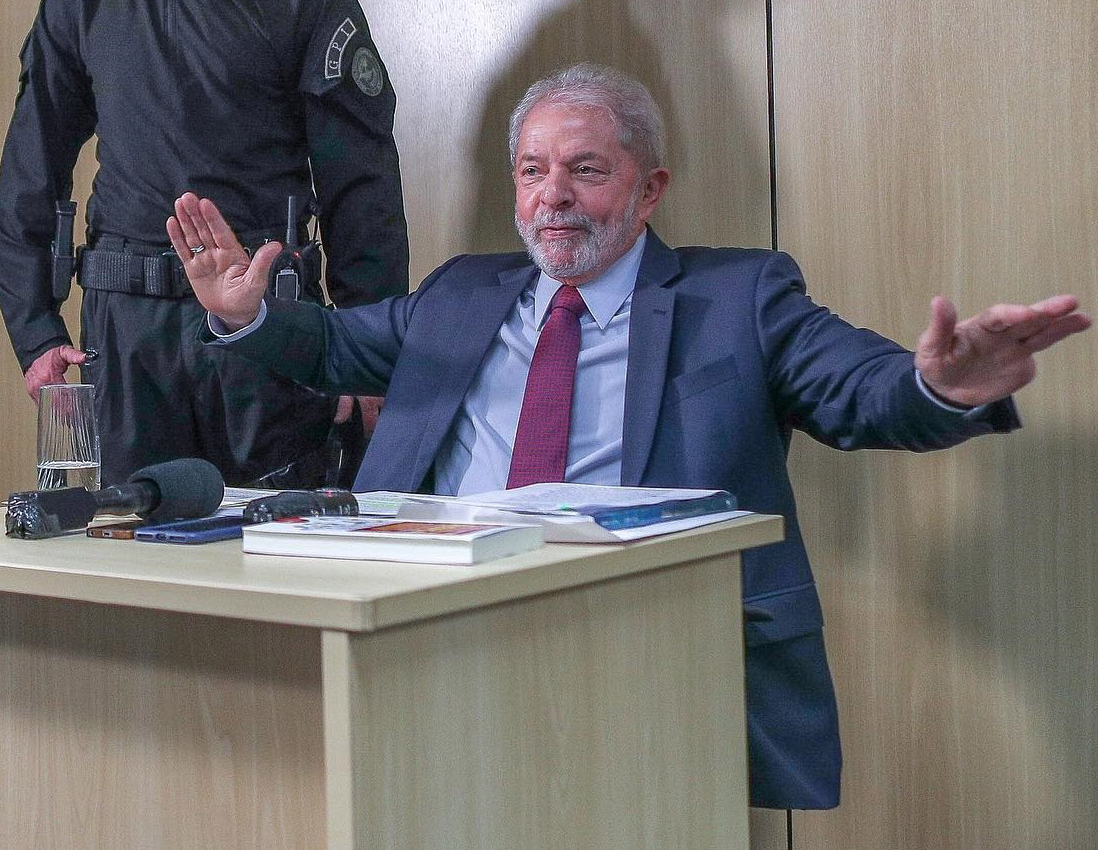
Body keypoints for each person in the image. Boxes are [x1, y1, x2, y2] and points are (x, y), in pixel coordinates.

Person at [166, 62, 1088, 810]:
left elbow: (858, 390)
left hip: (645, 642)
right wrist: (246, 315)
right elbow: (332, 346)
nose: (553, 197)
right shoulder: (460, 293)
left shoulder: (739, 297)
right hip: (436, 625)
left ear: (649, 190)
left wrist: (936, 386)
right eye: (532, 171)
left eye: (585, 170)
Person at [0, 0, 408, 487]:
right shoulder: (80, 1)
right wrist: (35, 333)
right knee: (133, 544)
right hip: (124, 339)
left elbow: (362, 190)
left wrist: (366, 353)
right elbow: (29, 179)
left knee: (278, 544)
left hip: (267, 325)